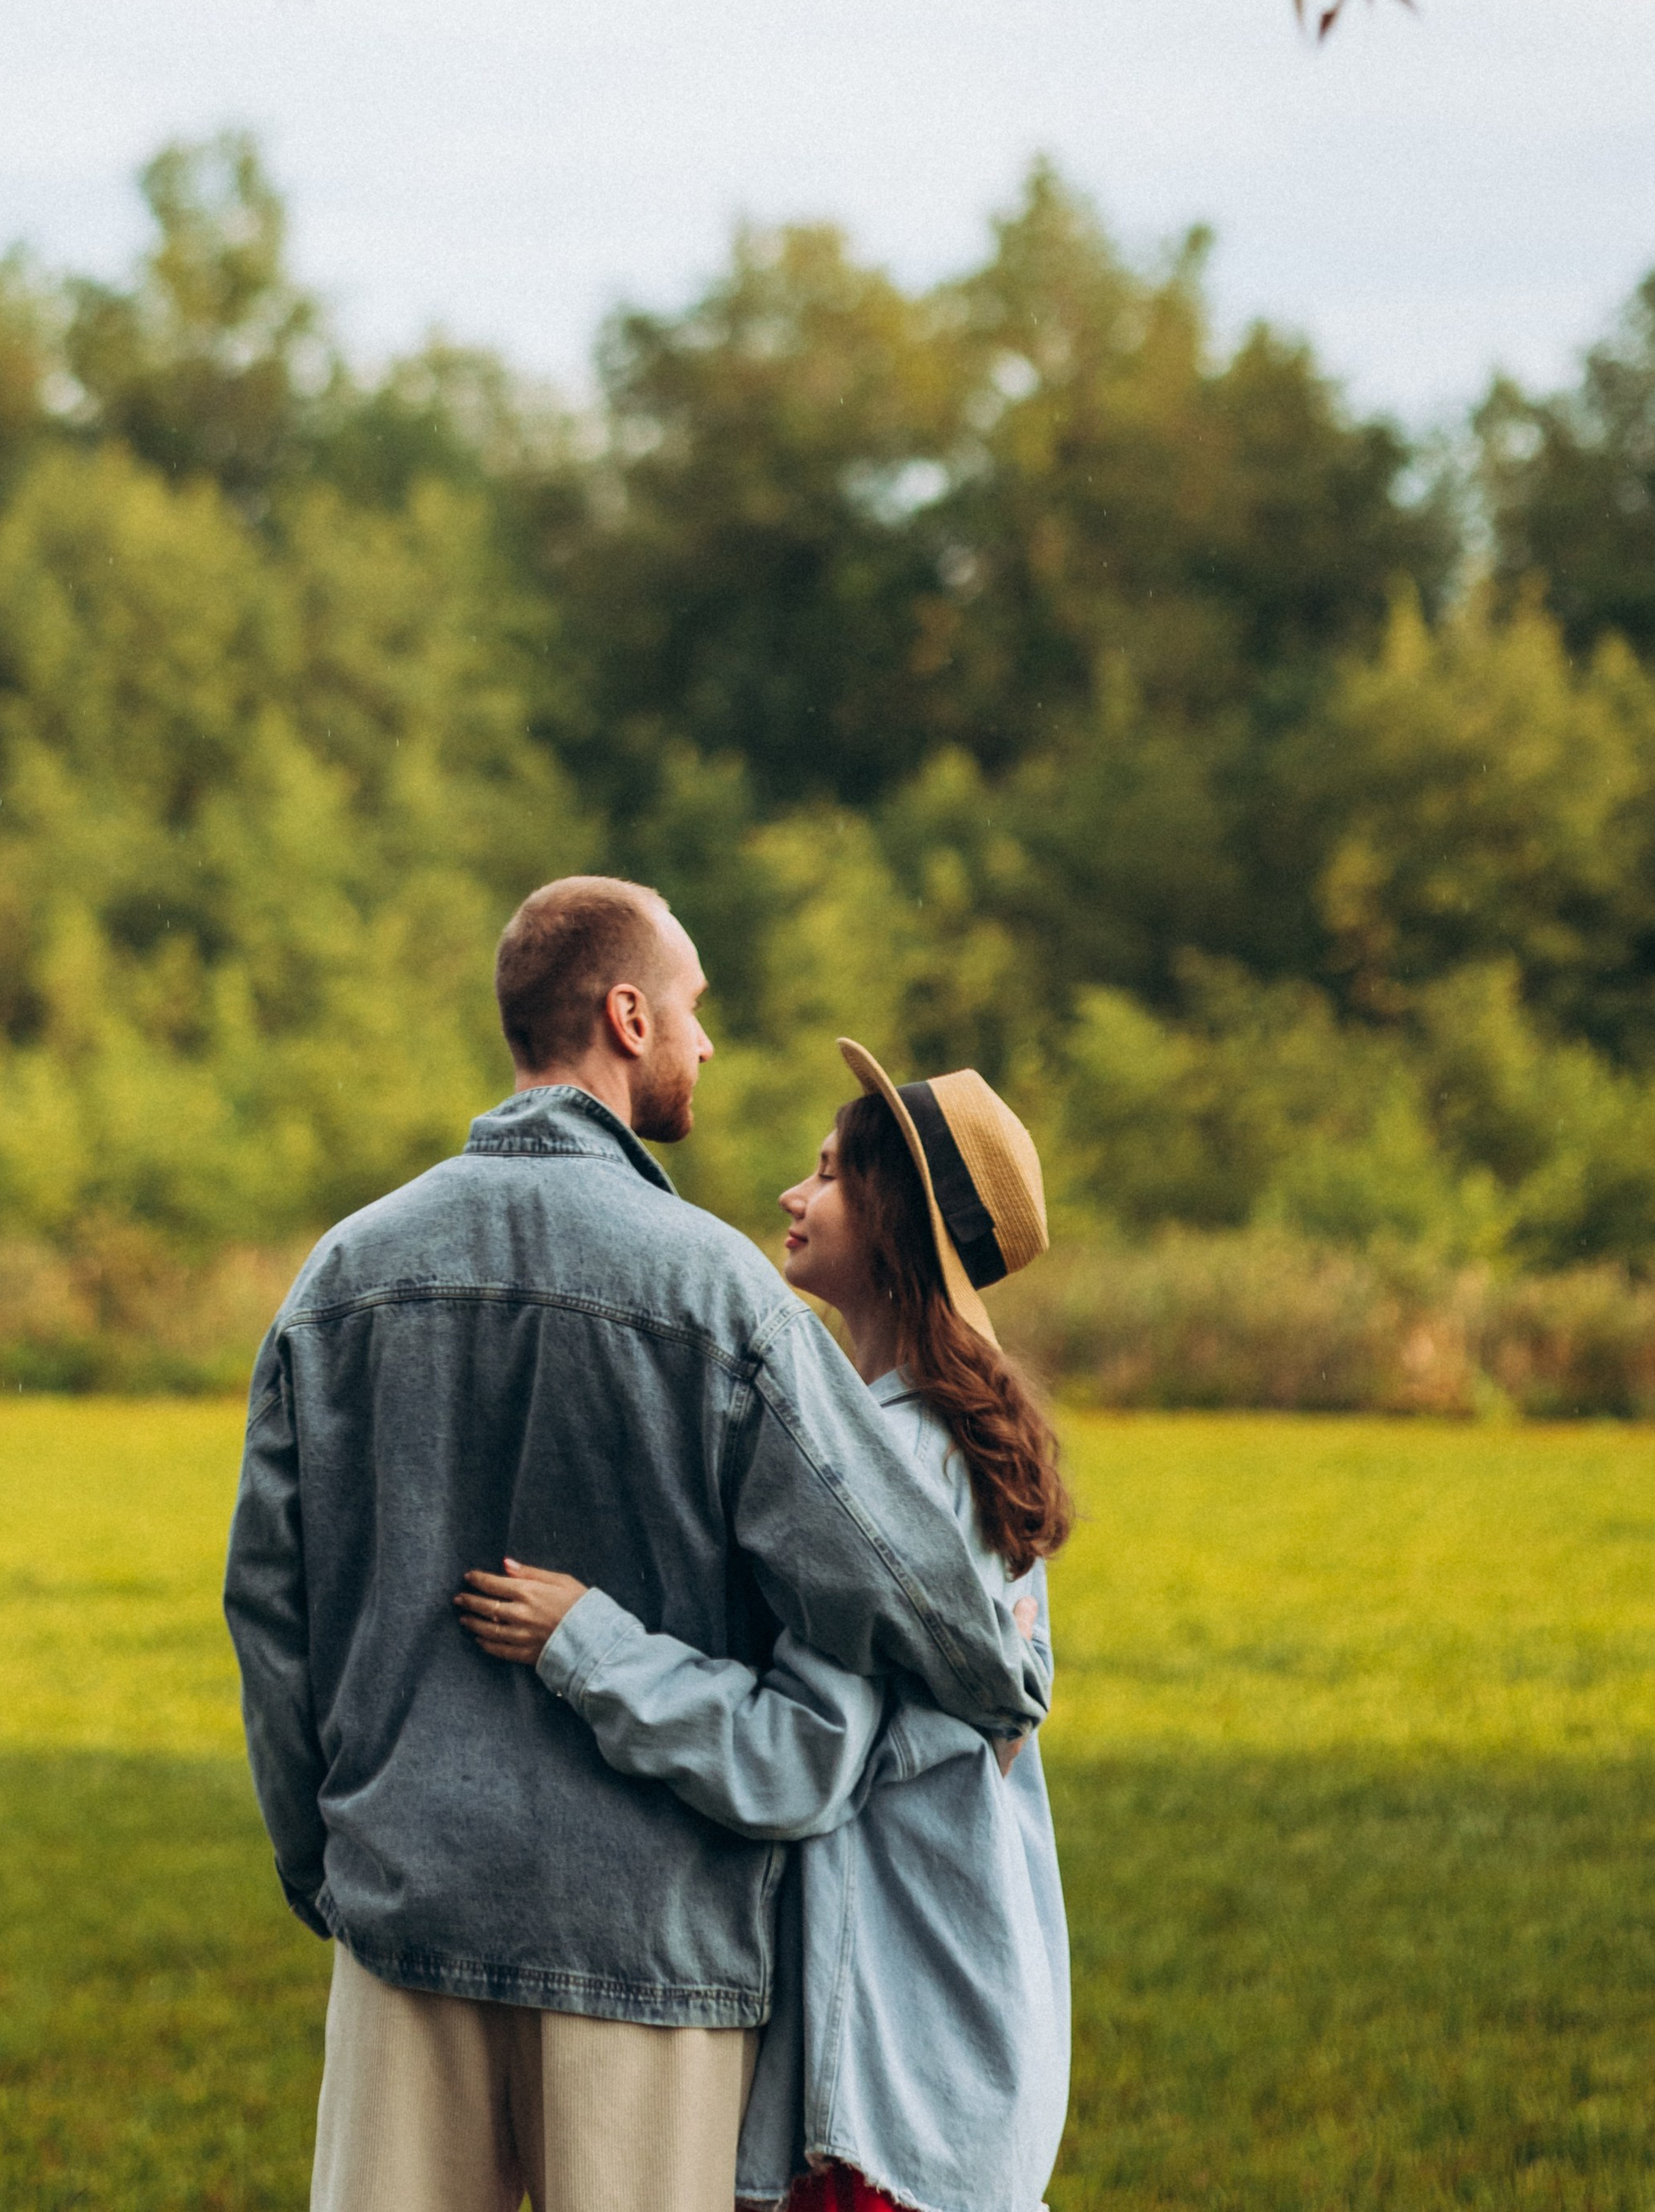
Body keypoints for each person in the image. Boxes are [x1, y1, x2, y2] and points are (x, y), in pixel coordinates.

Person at [223, 885, 1045, 2212]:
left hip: (408, 1916)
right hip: (649, 1954)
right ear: (626, 1015)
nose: (706, 1043)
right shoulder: (716, 1292)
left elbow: (269, 1603)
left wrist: (328, 1859)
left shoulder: (340, 1275)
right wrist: (1004, 1676)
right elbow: (884, 1565)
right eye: (696, 1009)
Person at [460, 1038, 1072, 2212]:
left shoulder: (888, 1462)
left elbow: (799, 1757)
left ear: (896, 1217)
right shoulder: (961, 1444)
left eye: (833, 1172)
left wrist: (584, 1639)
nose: (797, 1195)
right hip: (969, 2065)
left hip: (879, 2086)